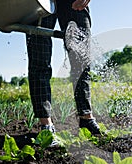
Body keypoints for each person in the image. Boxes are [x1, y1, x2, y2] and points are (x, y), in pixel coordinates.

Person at [26, 0, 100, 137]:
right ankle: (46, 124)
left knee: (82, 61)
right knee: (40, 60)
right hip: (41, 1)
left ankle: (86, 118)